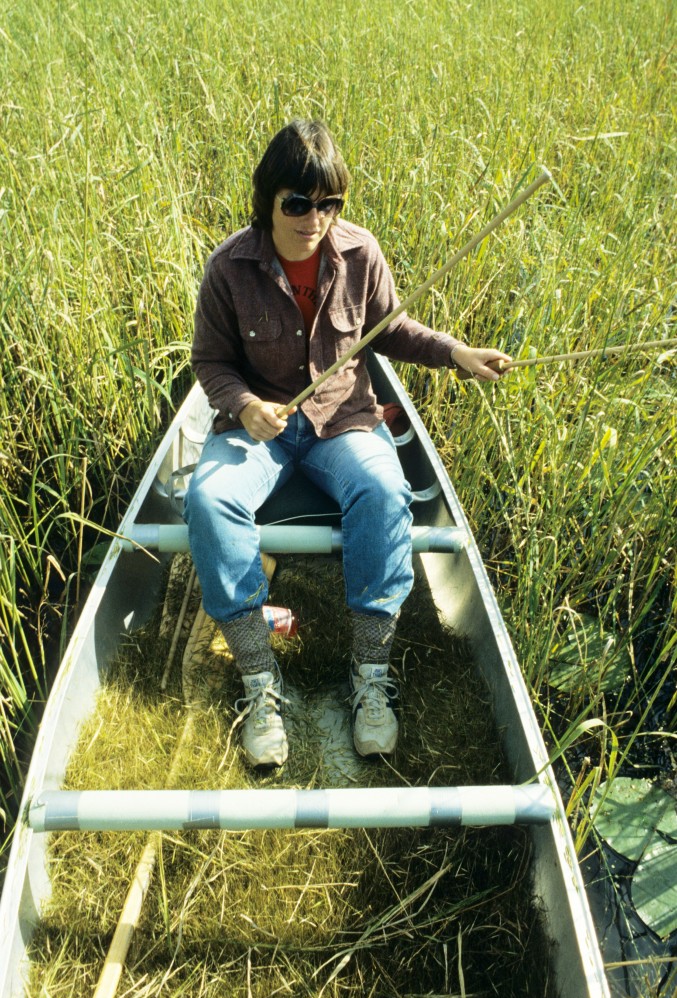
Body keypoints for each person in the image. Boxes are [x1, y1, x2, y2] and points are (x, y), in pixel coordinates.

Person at [185, 118, 509, 768]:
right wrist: (245, 406)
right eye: (298, 204)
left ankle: (369, 675)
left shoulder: (359, 252)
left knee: (385, 489)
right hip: (260, 431)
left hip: (344, 420)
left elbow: (393, 331)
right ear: (268, 199)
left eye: (329, 203)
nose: (315, 218)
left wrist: (456, 353)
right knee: (209, 500)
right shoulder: (228, 266)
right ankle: (259, 681)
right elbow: (210, 362)